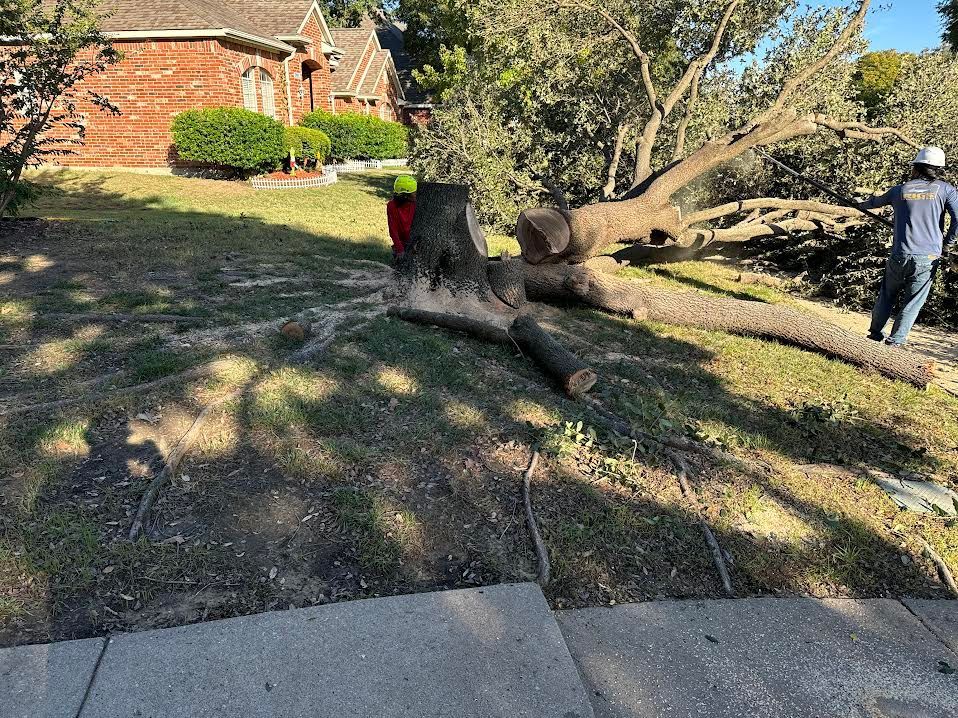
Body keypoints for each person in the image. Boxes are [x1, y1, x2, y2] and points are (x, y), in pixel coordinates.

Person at [858, 146, 958, 347]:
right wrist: (947, 245)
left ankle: (875, 334)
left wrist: (858, 203)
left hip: (899, 255)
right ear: (938, 169)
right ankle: (895, 342)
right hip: (928, 258)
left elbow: (873, 202)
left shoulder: (900, 189)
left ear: (917, 167)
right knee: (913, 302)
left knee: (887, 294)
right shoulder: (946, 190)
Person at [387, 175, 417, 261]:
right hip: (400, 243)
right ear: (406, 195)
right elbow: (393, 229)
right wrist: (399, 248)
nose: (416, 194)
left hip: (413, 241)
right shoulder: (392, 206)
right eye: (413, 192)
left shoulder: (415, 204)